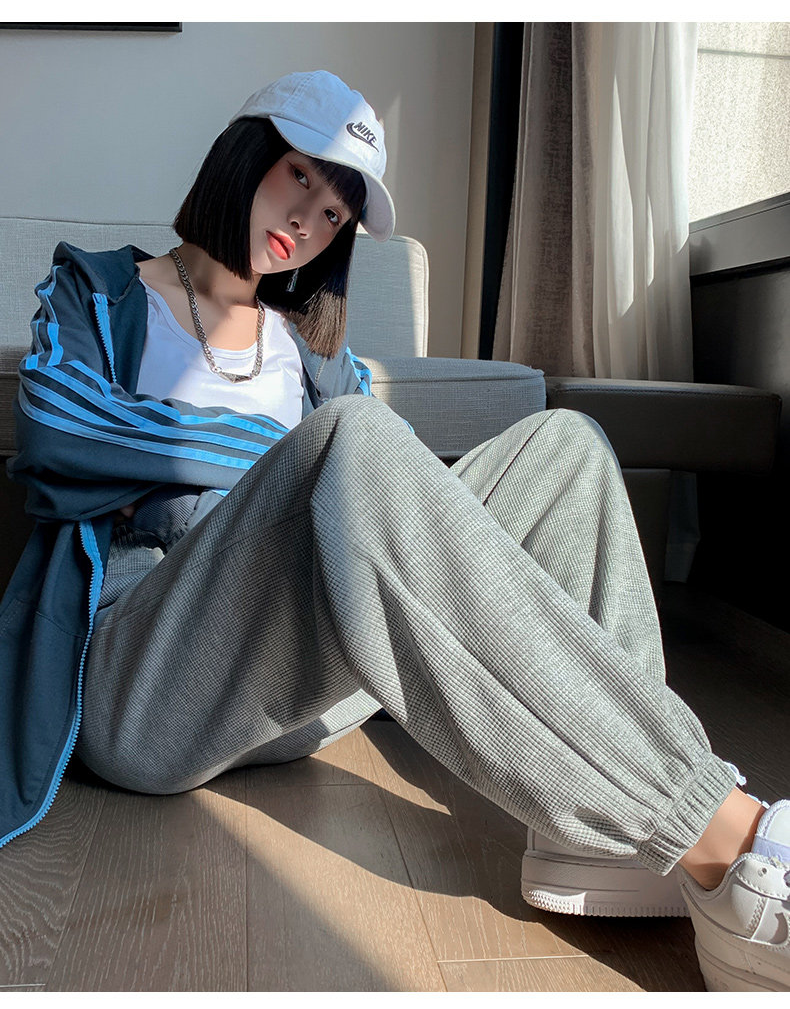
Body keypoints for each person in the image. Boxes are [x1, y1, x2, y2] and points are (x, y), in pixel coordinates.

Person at [0, 70, 787, 993]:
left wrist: (228, 473)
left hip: (293, 695)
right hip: (146, 684)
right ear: (244, 156)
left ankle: (603, 840)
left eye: (336, 213)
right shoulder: (100, 291)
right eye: (300, 176)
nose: (309, 219)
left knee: (567, 450)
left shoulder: (310, 354)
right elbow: (57, 426)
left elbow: (377, 493)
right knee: (353, 440)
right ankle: (724, 843)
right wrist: (278, 462)